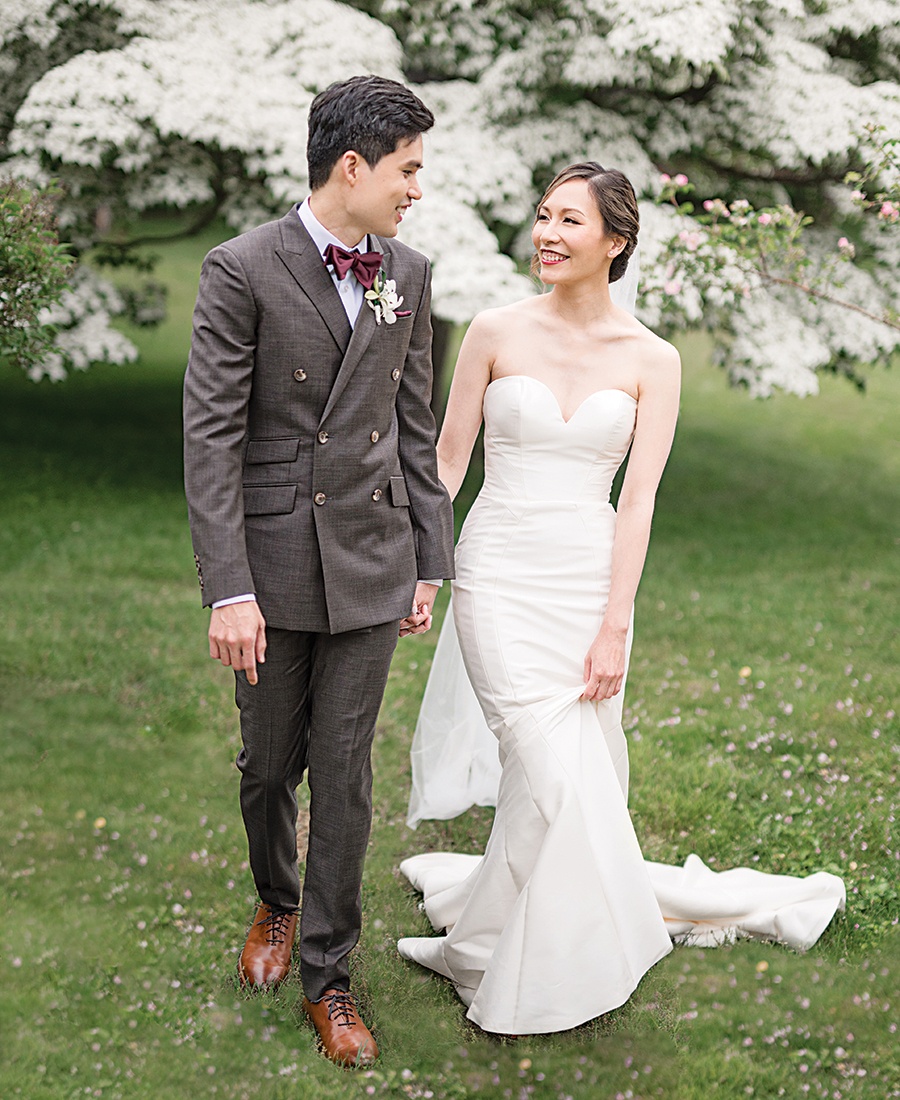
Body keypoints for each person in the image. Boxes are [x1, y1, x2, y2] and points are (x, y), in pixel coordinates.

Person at [396, 163, 845, 1036]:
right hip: (496, 572)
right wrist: (423, 567)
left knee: (546, 782)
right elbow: (446, 467)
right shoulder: (494, 330)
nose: (548, 234)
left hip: (585, 584)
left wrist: (615, 626)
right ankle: (557, 953)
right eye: (543, 216)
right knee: (557, 776)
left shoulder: (653, 361)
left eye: (570, 220)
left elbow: (636, 501)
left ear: (616, 241)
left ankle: (480, 944)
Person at [183, 75, 455, 1066]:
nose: (415, 188)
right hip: (272, 562)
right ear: (355, 165)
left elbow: (413, 429)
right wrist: (228, 586)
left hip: (374, 562)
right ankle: (275, 898)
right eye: (408, 168)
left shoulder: (410, 272)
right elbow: (210, 438)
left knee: (344, 776)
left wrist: (430, 558)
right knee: (267, 765)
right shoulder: (241, 267)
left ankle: (329, 976)